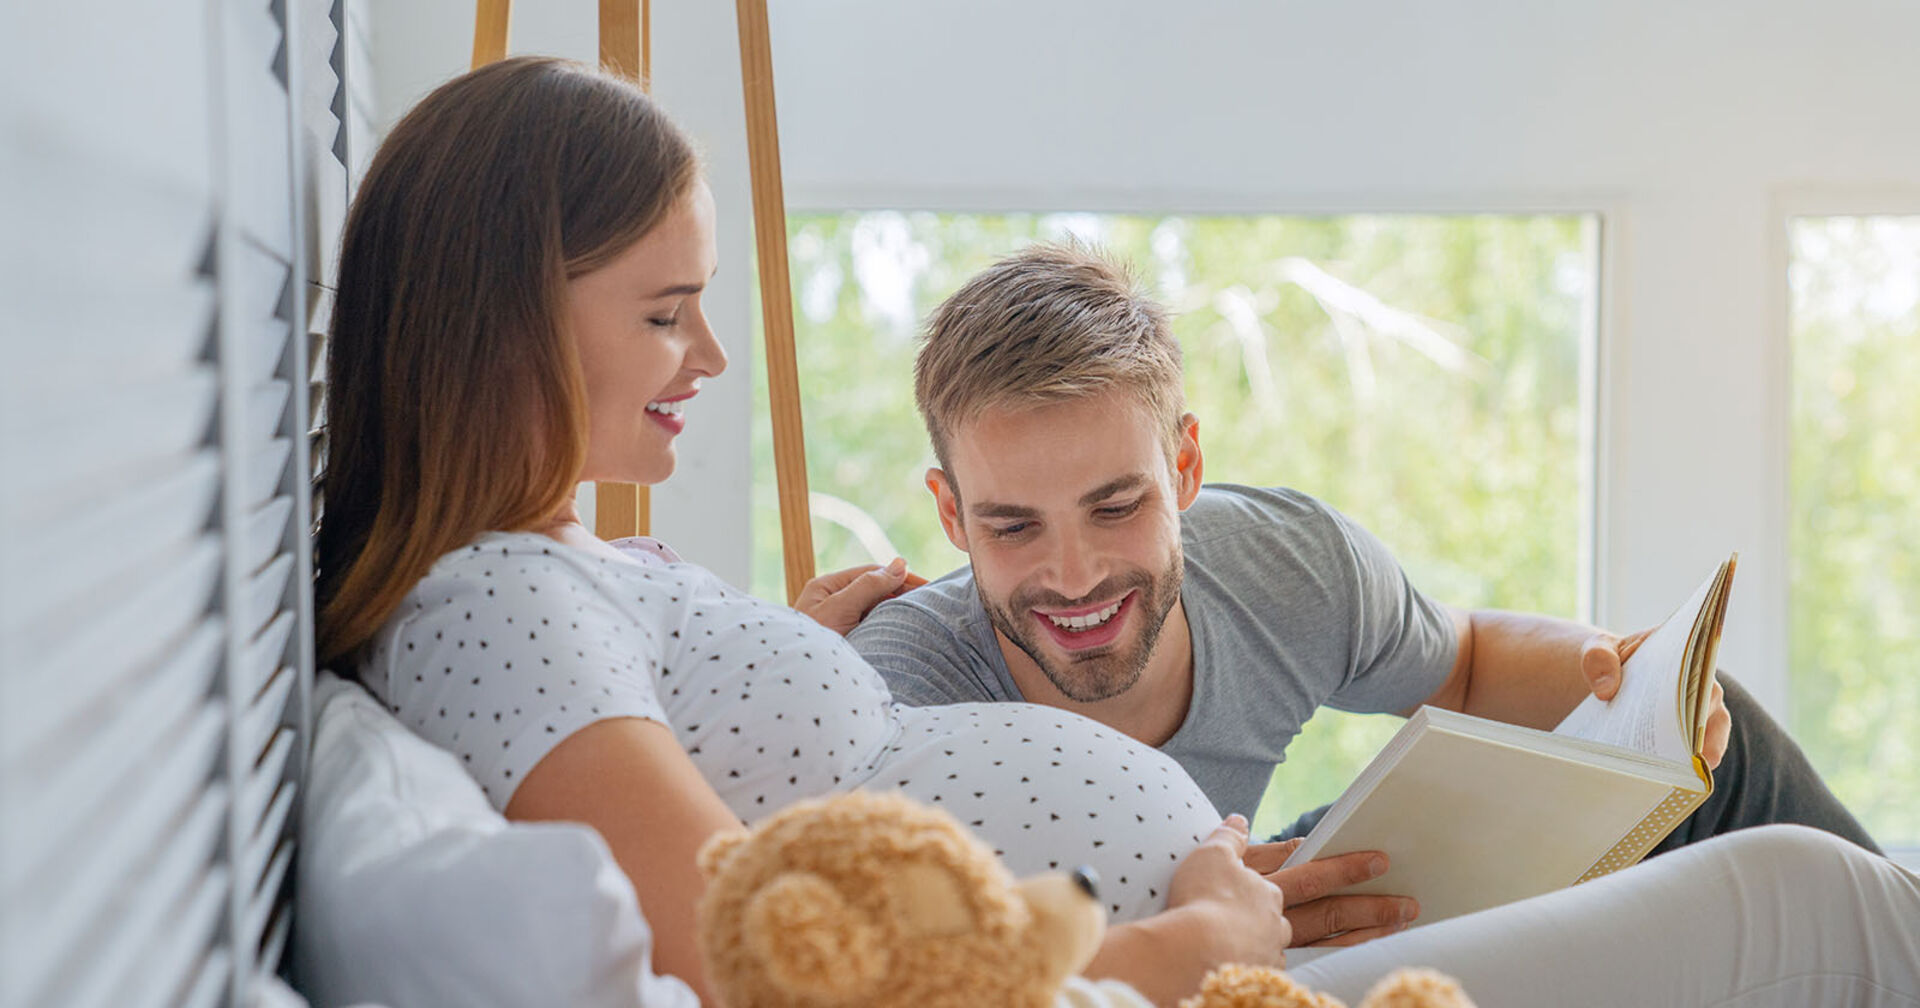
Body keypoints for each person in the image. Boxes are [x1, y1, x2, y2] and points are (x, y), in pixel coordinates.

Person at [316, 57, 1920, 1008]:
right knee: (1821, 903)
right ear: (506, 320)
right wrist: (1180, 944)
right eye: (667, 315)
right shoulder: (494, 604)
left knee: (1793, 841)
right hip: (1189, 974)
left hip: (1230, 936)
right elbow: (776, 956)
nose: (710, 361)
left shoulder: (557, 578)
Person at [840, 242, 1884, 946]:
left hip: (1272, 879)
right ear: (949, 514)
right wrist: (1195, 922)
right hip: (1160, 952)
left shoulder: (1283, 562)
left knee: (1718, 735)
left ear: (1187, 472)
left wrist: (1619, 673)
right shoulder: (900, 692)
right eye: (1012, 526)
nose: (1072, 576)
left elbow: (1466, 662)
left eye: (1117, 509)